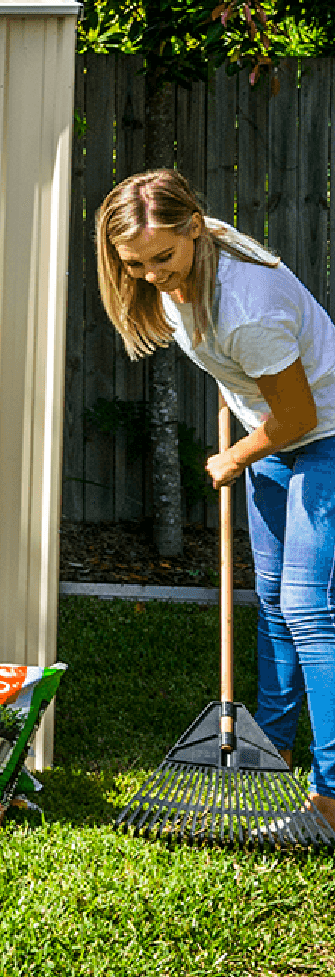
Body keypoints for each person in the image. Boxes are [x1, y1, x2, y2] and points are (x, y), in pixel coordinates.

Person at [95, 168, 335, 831]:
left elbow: (299, 416)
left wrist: (234, 455)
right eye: (135, 264)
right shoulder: (192, 261)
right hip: (277, 432)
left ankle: (331, 801)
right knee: (277, 604)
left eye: (162, 258)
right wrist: (238, 392)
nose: (152, 276)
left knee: (313, 613)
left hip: (322, 435)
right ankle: (269, 750)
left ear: (196, 229)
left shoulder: (247, 304)